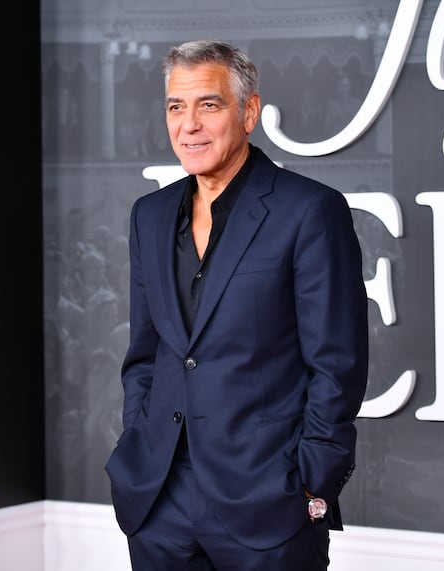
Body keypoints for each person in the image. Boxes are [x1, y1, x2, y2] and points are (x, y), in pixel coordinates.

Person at [105, 40, 369, 570]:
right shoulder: (150, 216)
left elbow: (336, 365)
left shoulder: (310, 211)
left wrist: (312, 484)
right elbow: (145, 354)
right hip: (158, 502)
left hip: (269, 503)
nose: (189, 125)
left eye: (209, 104)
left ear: (248, 112)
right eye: (176, 107)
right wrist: (139, 439)